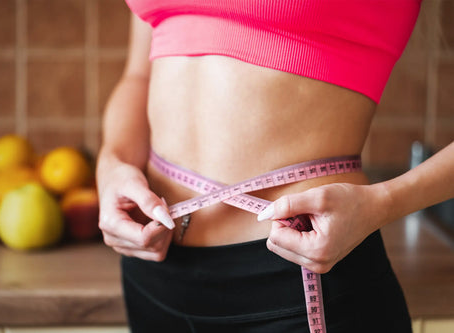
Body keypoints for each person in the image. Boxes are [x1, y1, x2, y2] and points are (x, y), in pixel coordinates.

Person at [96, 1, 454, 332]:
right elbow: (137, 76)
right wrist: (113, 162)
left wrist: (385, 202)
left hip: (301, 272)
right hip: (152, 270)